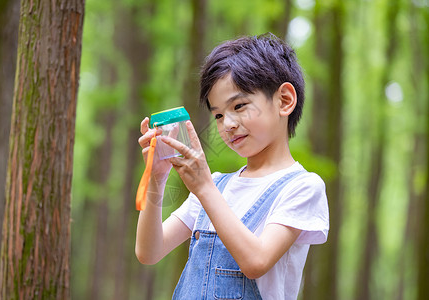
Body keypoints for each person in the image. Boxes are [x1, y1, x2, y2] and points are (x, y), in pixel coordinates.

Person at [135, 33, 329, 300]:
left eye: (239, 105)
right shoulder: (215, 185)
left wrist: (204, 188)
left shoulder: (302, 187)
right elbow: (149, 251)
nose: (227, 124)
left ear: (284, 100)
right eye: (218, 115)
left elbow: (256, 262)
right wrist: (157, 178)